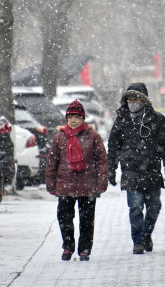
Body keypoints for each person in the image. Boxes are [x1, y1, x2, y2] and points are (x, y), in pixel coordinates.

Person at [108, 82, 165, 254]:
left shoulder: (157, 119)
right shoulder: (121, 120)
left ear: (144, 100)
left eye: (136, 98)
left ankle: (146, 234)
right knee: (135, 207)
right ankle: (138, 241)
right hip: (130, 171)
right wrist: (111, 168)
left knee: (154, 206)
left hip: (152, 170)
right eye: (129, 98)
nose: (133, 102)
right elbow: (113, 145)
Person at [46, 100, 108, 261]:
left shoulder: (93, 136)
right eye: (70, 117)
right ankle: (68, 246)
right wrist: (51, 185)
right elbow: (52, 162)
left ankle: (85, 249)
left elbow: (102, 161)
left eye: (77, 117)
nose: (73, 120)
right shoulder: (59, 137)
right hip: (65, 186)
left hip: (87, 186)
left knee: (87, 221)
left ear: (83, 118)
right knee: (64, 218)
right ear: (66, 118)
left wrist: (101, 183)